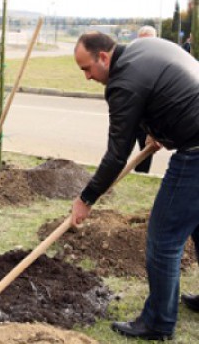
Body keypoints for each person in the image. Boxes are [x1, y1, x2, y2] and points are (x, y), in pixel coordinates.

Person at [71, 31, 199, 341]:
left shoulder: (122, 82)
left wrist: (86, 198)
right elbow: (162, 93)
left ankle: (157, 321)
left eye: (87, 68)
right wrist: (161, 133)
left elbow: (117, 154)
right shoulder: (142, 49)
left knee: (164, 238)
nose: (87, 77)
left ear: (104, 57)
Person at [132, 25, 158, 173]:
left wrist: (153, 130)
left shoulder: (160, 62)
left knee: (146, 148)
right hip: (132, 112)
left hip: (148, 116)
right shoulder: (132, 59)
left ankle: (141, 174)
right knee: (119, 148)